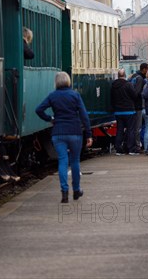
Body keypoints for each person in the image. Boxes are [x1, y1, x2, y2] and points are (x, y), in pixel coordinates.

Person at [36, 72, 92, 203]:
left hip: (58, 133)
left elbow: (39, 110)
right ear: (68, 81)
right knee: (75, 162)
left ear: (56, 82)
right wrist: (89, 134)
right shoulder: (75, 95)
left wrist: (50, 119)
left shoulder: (52, 96)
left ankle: (64, 192)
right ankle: (76, 190)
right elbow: (84, 115)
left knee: (62, 161)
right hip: (75, 132)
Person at [110, 68, 140, 155]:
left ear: (118, 76)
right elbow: (134, 96)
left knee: (119, 130)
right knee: (131, 130)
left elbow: (112, 98)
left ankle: (118, 149)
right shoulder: (128, 84)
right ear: (125, 76)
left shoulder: (113, 85)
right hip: (129, 111)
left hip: (118, 111)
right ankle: (131, 149)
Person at [130, 63, 148, 151]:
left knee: (132, 127)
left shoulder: (133, 76)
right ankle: (136, 146)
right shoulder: (140, 79)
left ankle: (131, 144)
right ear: (144, 69)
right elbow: (137, 93)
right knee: (138, 127)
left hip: (131, 106)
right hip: (138, 106)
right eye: (147, 69)